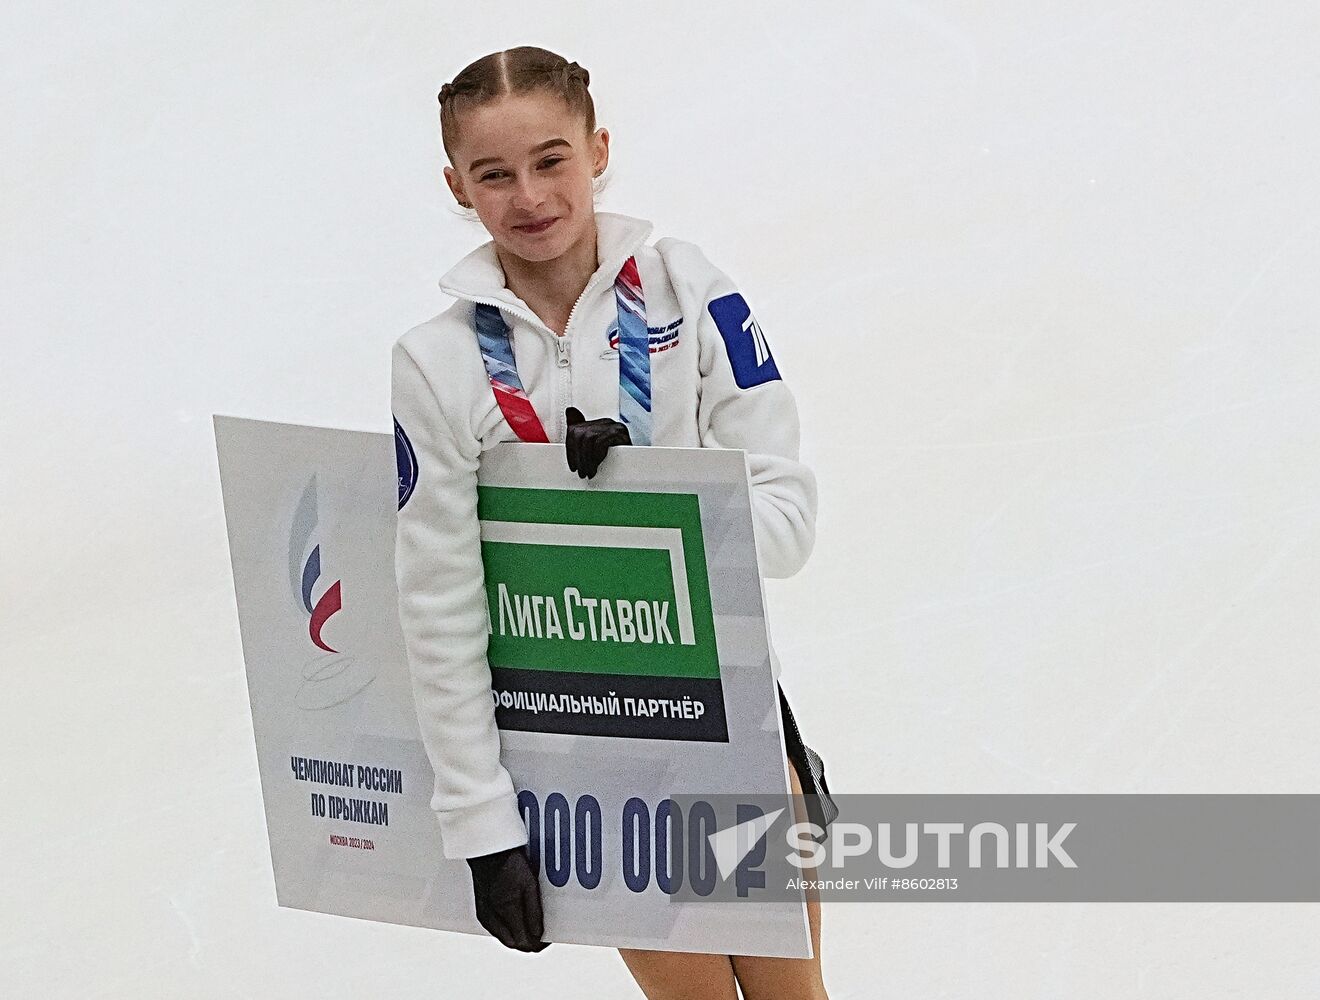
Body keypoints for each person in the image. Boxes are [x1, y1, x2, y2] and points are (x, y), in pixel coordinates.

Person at [391, 45, 837, 999]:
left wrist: (640, 492)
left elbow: (789, 524)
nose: (529, 195)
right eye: (494, 173)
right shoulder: (436, 364)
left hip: (725, 724)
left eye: (551, 160)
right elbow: (438, 607)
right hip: (580, 755)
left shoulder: (691, 294)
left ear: (597, 151)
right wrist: (480, 825)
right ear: (455, 186)